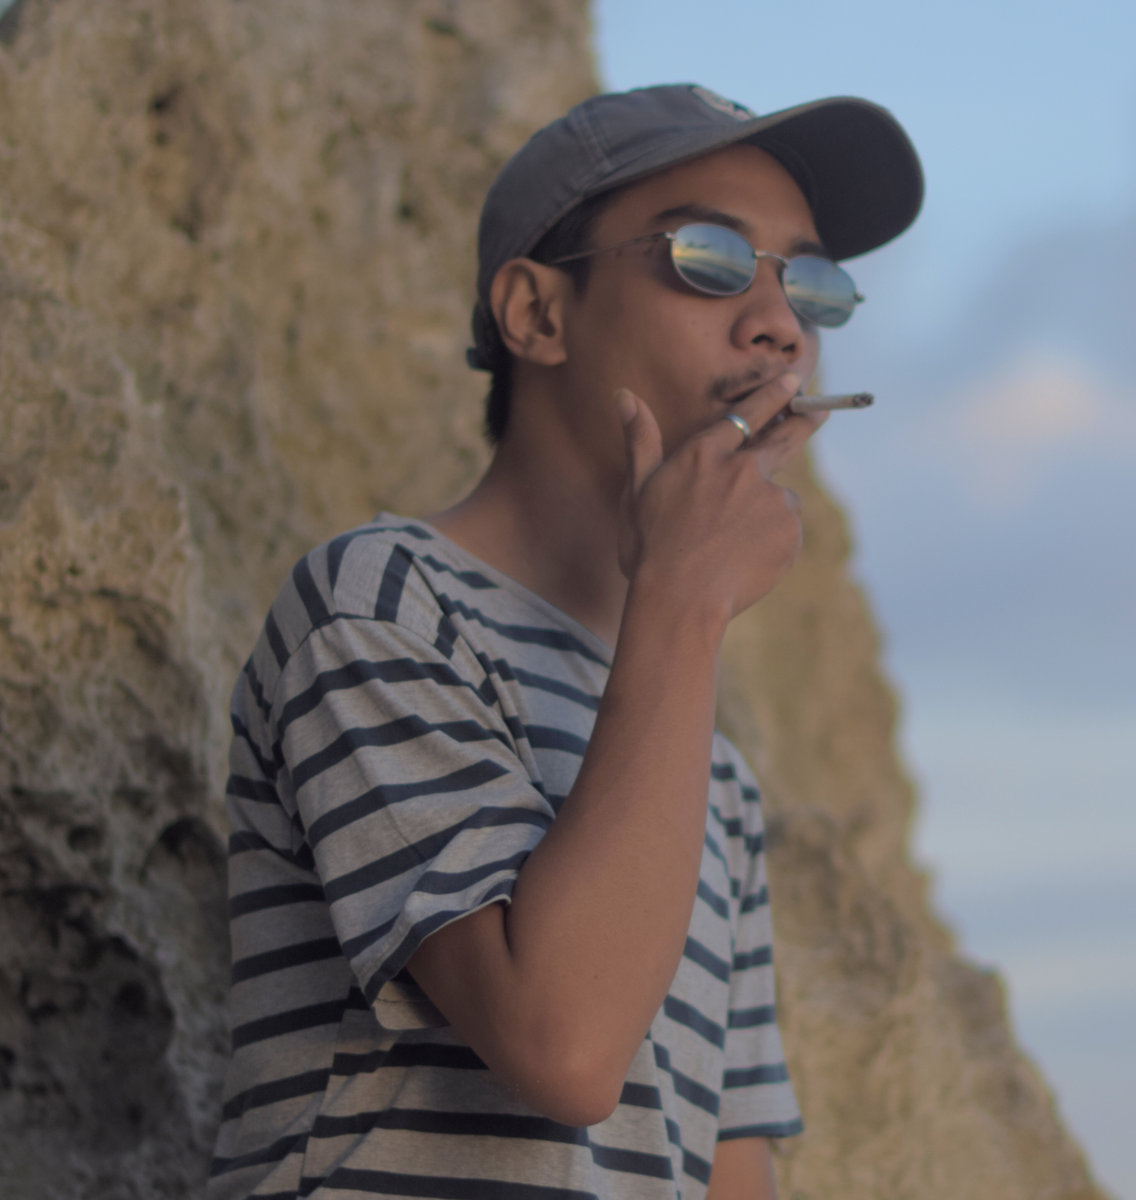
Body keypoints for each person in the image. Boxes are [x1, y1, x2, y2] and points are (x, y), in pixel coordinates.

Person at [208, 83, 922, 1199]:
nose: (781, 326)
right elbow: (564, 1045)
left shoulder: (716, 778)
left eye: (811, 284)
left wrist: (676, 617)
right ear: (536, 314)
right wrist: (682, 596)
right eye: (709, 258)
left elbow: (728, 1168)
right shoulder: (379, 605)